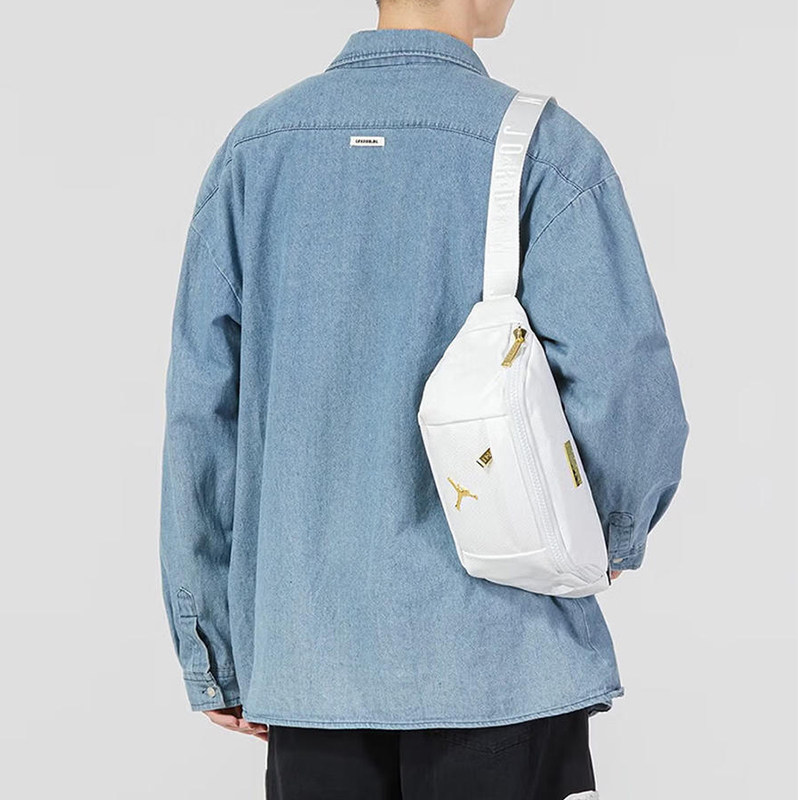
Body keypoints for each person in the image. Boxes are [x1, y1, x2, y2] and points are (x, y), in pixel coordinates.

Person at [159, 0, 689, 797]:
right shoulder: (544, 151)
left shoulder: (254, 154)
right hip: (502, 653)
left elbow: (203, 420)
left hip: (310, 659)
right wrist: (606, 536)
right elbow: (628, 394)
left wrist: (216, 647)